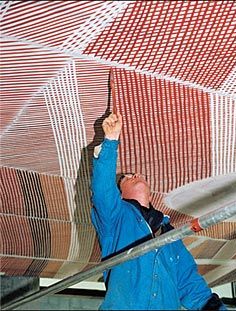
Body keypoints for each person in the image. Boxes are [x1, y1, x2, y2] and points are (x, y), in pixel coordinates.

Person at [91, 112, 226, 310]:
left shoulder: (171, 235)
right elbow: (102, 191)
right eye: (126, 178)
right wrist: (111, 141)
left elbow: (189, 284)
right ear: (119, 196)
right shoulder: (116, 219)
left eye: (136, 175)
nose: (134, 174)